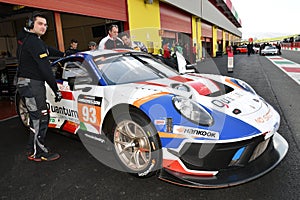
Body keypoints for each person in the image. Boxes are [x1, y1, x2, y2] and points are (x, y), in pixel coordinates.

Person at [16, 11, 63, 162]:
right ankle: (37, 152)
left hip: (27, 83)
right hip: (32, 84)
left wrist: (64, 54)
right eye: (40, 24)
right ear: (31, 25)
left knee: (37, 117)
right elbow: (45, 69)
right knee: (40, 118)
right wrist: (56, 89)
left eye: (45, 25)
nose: (44, 27)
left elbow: (48, 50)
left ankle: (32, 149)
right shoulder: (34, 42)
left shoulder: (30, 41)